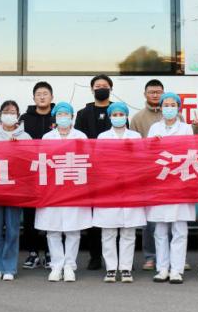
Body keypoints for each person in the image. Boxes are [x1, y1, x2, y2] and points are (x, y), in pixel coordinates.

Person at [36, 103, 91, 282]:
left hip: (74, 188)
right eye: (59, 114)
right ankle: (56, 265)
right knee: (53, 230)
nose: (63, 117)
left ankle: (69, 266)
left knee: (73, 231)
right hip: (52, 189)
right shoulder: (47, 137)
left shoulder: (80, 136)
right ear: (55, 117)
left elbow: (86, 160)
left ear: (72, 116)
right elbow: (43, 162)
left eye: (66, 114)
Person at [92, 102, 144, 283]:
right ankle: (111, 268)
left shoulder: (135, 136)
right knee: (108, 231)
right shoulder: (103, 137)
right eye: (114, 114)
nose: (118, 117)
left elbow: (141, 160)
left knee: (128, 232)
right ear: (109, 117)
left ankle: (126, 268)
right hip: (109, 188)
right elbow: (98, 162)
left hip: (130, 187)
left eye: (121, 114)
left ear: (126, 116)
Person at [146, 92, 195, 284]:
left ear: (178, 107)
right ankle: (162, 268)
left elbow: (190, 154)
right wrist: (153, 144)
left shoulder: (186, 128)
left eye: (172, 104)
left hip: (180, 183)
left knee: (179, 230)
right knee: (160, 230)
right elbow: (147, 155)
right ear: (160, 107)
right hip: (160, 183)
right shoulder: (154, 128)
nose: (169, 108)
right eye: (165, 104)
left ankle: (176, 270)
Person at [0, 100, 30, 281]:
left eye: (13, 112)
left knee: (12, 229)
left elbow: (29, 162)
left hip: (15, 190)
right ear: (0, 114)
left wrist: (18, 148)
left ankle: (9, 267)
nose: (9, 115)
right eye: (6, 111)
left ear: (18, 116)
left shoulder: (25, 137)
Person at [75, 74, 115, 271]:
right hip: (90, 170)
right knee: (93, 215)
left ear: (111, 89)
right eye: (97, 86)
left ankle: (117, 258)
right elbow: (77, 141)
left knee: (113, 213)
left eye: (104, 86)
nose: (101, 88)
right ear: (92, 90)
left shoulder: (118, 111)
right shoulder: (83, 113)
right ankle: (95, 256)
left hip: (113, 171)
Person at [129, 78, 165, 271]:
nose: (155, 95)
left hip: (170, 172)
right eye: (152, 92)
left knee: (173, 218)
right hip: (148, 173)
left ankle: (172, 255)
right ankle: (150, 256)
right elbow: (133, 147)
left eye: (158, 92)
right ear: (145, 94)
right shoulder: (138, 118)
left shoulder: (177, 116)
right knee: (150, 219)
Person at [20, 81, 54, 270]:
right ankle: (33, 253)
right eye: (38, 94)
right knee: (30, 214)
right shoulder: (24, 118)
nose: (42, 96)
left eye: (45, 93)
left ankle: (50, 252)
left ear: (51, 97)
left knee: (50, 213)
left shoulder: (58, 116)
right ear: (33, 98)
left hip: (52, 172)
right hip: (30, 172)